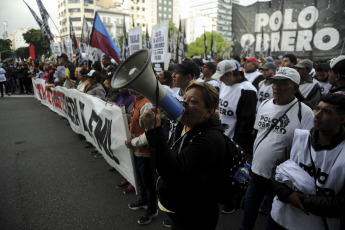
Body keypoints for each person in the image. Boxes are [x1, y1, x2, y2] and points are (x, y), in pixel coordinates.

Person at [141, 81, 226, 230]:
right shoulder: (185, 125)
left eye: (192, 101)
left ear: (208, 112)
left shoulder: (209, 139)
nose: (184, 104)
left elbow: (174, 172)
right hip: (181, 208)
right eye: (184, 99)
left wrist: (154, 132)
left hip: (196, 213)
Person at [242, 67, 314, 230]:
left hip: (281, 177)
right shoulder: (265, 104)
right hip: (257, 169)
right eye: (275, 82)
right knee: (249, 206)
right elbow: (258, 133)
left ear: (295, 87)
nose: (276, 87)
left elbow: (306, 150)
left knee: (274, 214)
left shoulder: (305, 112)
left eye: (283, 83)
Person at [271, 93, 345, 230]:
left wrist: (300, 200)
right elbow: (276, 171)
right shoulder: (299, 137)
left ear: (342, 118)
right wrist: (288, 194)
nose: (317, 114)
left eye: (327, 112)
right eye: (317, 108)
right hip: (282, 219)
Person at [125, 90, 157, 225]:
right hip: (138, 149)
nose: (127, 87)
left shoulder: (146, 103)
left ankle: (152, 209)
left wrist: (133, 142)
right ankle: (144, 200)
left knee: (148, 181)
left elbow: (150, 133)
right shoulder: (137, 99)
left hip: (145, 150)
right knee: (142, 179)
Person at [213, 60, 257, 155]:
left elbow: (246, 123)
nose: (220, 80)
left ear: (230, 74)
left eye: (222, 77)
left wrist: (236, 147)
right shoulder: (225, 85)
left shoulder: (247, 90)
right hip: (221, 138)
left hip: (233, 144)